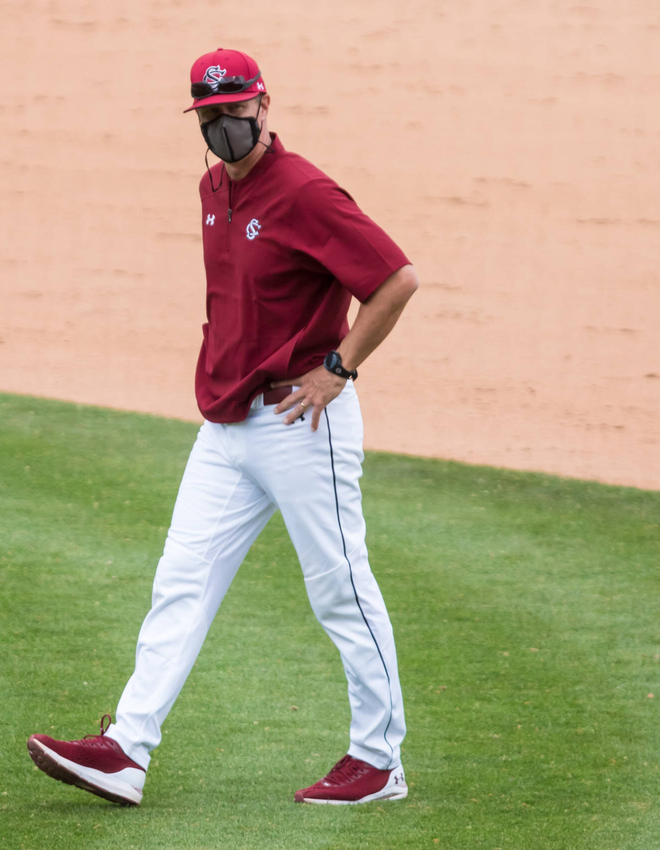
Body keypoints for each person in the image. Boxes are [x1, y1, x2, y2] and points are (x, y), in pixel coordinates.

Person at [27, 48, 419, 806]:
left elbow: (396, 279)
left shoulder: (306, 192)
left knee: (340, 588)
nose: (225, 126)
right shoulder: (212, 187)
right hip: (229, 422)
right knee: (180, 582)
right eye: (211, 116)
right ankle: (125, 751)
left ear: (264, 106)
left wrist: (337, 370)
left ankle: (379, 762)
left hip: (302, 420)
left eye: (236, 111)